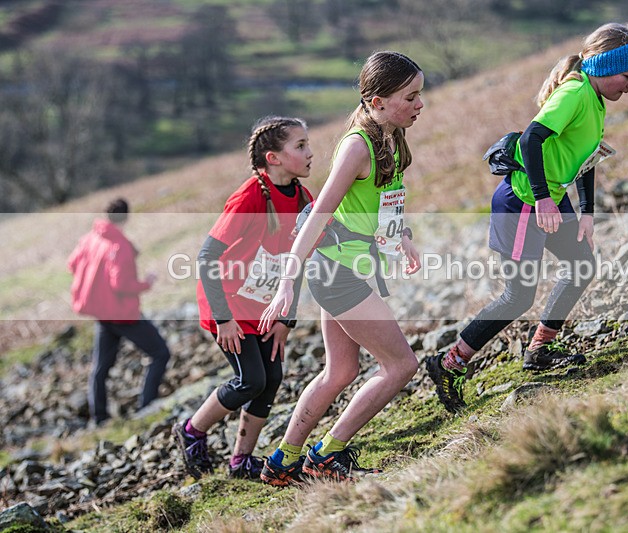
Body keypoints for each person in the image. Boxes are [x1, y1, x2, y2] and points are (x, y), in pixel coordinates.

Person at [425, 23, 628, 413]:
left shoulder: (595, 99)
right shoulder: (576, 92)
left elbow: (587, 156)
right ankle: (449, 364)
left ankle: (540, 349)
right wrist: (545, 200)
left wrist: (586, 213)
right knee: (518, 296)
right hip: (523, 204)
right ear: (604, 66)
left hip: (550, 199)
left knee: (581, 265)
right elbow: (531, 138)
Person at [258, 51, 423, 486]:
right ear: (377, 101)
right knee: (401, 366)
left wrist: (400, 236)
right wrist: (285, 285)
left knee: (341, 372)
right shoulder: (357, 145)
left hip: (348, 267)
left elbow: (379, 201)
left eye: (419, 94)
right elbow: (318, 215)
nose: (420, 104)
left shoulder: (390, 136)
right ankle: (328, 455)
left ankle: (281, 463)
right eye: (411, 96)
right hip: (336, 273)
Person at [171, 116, 314, 480]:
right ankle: (191, 432)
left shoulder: (304, 198)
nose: (311, 152)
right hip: (229, 306)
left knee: (273, 377)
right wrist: (223, 319)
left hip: (266, 309)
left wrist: (287, 318)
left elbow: (295, 265)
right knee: (251, 379)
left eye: (307, 144)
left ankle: (241, 461)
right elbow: (206, 258)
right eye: (300, 146)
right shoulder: (249, 196)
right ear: (273, 158)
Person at [68, 198, 172, 425]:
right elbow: (121, 285)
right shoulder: (120, 246)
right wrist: (147, 283)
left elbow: (72, 264)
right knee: (160, 353)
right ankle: (147, 406)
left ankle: (100, 418)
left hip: (102, 313)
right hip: (123, 314)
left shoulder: (89, 239)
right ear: (126, 217)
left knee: (100, 367)